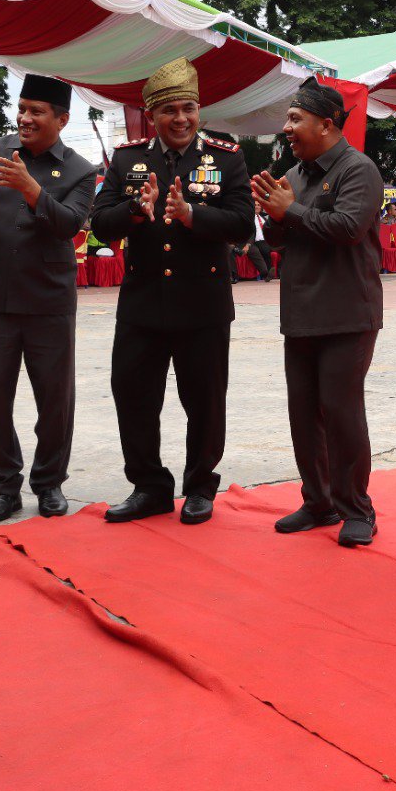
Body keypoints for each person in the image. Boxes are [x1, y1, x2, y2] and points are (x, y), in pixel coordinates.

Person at [91, 58, 253, 526]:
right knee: (133, 394)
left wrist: (192, 216)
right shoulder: (127, 159)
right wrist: (134, 211)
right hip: (142, 305)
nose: (180, 119)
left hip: (203, 305)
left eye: (188, 109)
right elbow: (100, 224)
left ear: (199, 110)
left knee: (204, 399)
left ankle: (200, 486)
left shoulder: (226, 157)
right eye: (169, 111)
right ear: (152, 116)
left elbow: (243, 222)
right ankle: (149, 487)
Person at [0, 74, 97, 524]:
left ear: (62, 119)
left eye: (38, 111)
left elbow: (70, 225)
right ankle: (3, 488)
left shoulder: (79, 169)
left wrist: (31, 189)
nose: (26, 118)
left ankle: (49, 483)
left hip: (48, 299)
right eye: (23, 108)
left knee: (55, 399)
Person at [252, 79, 384, 547]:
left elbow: (349, 228)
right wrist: (273, 214)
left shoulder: (359, 169)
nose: (286, 128)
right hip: (302, 311)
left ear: (326, 124)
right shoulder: (296, 173)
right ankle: (318, 501)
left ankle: (357, 509)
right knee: (304, 412)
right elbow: (280, 239)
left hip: (348, 312)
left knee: (342, 411)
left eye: (294, 119)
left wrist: (291, 210)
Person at [233, 200, 273, 282]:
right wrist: (247, 245)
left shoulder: (263, 218)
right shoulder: (248, 217)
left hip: (265, 240)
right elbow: (249, 232)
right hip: (251, 241)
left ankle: (281, 272)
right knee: (257, 250)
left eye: (259, 205)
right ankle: (265, 273)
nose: (257, 206)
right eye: (255, 205)